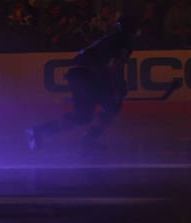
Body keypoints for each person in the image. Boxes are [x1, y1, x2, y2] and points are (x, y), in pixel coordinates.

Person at [26, 18, 138, 150]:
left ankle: (40, 132)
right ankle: (87, 141)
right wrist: (119, 85)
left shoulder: (111, 39)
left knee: (84, 115)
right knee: (110, 105)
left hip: (80, 72)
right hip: (88, 74)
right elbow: (114, 65)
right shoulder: (122, 42)